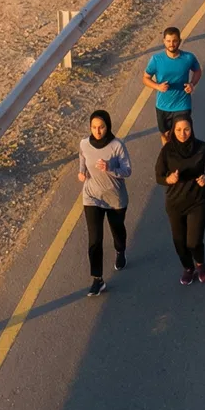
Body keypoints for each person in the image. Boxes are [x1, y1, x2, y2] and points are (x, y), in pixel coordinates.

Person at [154, 115, 205, 285]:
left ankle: (200, 264)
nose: (183, 133)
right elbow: (159, 176)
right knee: (179, 242)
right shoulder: (167, 151)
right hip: (175, 203)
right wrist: (169, 180)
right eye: (178, 130)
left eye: (186, 129)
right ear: (173, 131)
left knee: (194, 241)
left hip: (198, 201)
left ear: (192, 129)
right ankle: (188, 268)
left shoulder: (202, 148)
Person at [76, 109, 131, 297]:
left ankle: (120, 250)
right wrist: (82, 172)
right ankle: (97, 279)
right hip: (92, 196)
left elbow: (127, 171)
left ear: (108, 127)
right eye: (94, 127)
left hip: (115, 197)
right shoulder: (84, 143)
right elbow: (82, 156)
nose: (97, 131)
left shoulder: (117, 146)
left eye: (101, 127)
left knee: (117, 231)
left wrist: (110, 168)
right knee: (95, 239)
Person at [142, 26, 201, 147]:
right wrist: (158, 87)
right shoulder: (156, 59)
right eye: (168, 41)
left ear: (179, 40)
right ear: (164, 41)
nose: (171, 44)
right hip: (163, 106)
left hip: (182, 104)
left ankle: (183, 158)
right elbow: (145, 78)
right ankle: (167, 156)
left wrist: (192, 84)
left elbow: (197, 71)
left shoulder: (188, 58)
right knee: (166, 135)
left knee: (182, 135)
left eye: (174, 41)